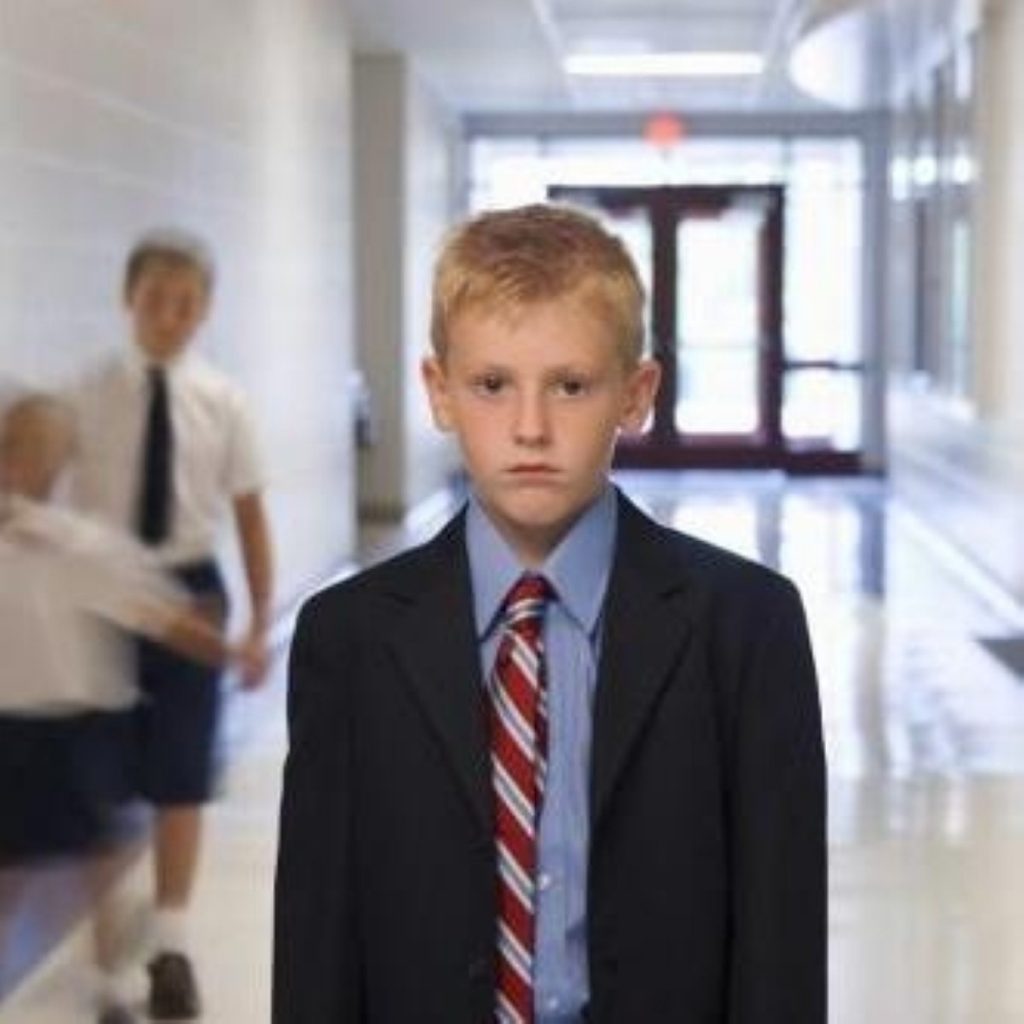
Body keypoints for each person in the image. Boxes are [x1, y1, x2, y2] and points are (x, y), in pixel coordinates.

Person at [273, 204, 826, 1023]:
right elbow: (317, 939)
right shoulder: (350, 639)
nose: (530, 428)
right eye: (492, 385)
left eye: (571, 386)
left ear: (635, 395)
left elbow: (782, 940)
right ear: (440, 392)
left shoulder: (747, 627)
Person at [0, 392, 262, 1024]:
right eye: (12, 445)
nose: (20, 461)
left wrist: (230, 651)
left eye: (35, 449)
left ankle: (110, 984)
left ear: (60, 463)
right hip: (8, 728)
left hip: (81, 729)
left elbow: (163, 617)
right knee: (12, 871)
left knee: (99, 865)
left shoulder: (82, 545)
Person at [69, 228, 274, 1020]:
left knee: (181, 775)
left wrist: (257, 620)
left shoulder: (223, 401)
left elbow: (251, 516)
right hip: (106, 589)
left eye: (187, 303)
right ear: (130, 301)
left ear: (205, 310)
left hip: (192, 591)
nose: (170, 315)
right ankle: (105, 953)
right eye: (156, 299)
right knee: (98, 776)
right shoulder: (87, 392)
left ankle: (173, 947)